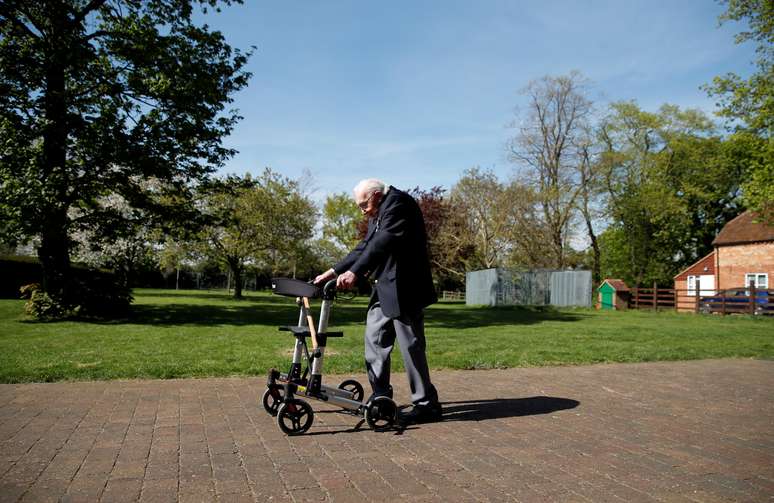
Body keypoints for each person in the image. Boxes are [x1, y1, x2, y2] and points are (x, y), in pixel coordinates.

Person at [314, 179, 442, 424]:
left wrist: (355, 273)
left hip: (405, 288)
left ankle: (427, 405)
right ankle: (381, 398)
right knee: (374, 340)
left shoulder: (398, 204)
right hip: (384, 286)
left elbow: (383, 242)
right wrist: (333, 271)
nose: (363, 211)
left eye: (364, 205)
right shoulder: (378, 210)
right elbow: (366, 246)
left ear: (375, 195)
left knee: (411, 348)